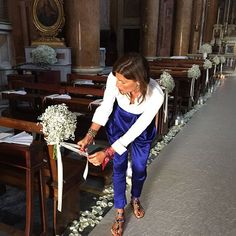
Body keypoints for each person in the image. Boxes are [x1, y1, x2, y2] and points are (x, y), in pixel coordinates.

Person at [77, 53, 164, 236]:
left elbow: (138, 128)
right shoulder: (114, 78)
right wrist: (89, 135)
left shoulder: (156, 95)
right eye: (117, 79)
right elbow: (106, 107)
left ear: (139, 81)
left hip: (141, 129)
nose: (118, 85)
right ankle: (119, 211)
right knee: (119, 167)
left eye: (124, 82)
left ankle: (135, 197)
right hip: (119, 124)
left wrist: (107, 152)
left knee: (140, 168)